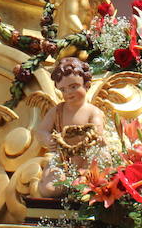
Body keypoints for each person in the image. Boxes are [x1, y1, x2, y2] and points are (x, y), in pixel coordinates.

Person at [37, 58, 106, 197]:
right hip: (64, 160)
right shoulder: (57, 111)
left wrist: (90, 138)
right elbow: (40, 131)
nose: (68, 92)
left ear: (87, 85)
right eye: (63, 89)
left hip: (88, 158)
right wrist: (48, 139)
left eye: (73, 86)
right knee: (49, 189)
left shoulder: (93, 111)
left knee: (89, 183)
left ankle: (82, 184)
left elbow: (97, 132)